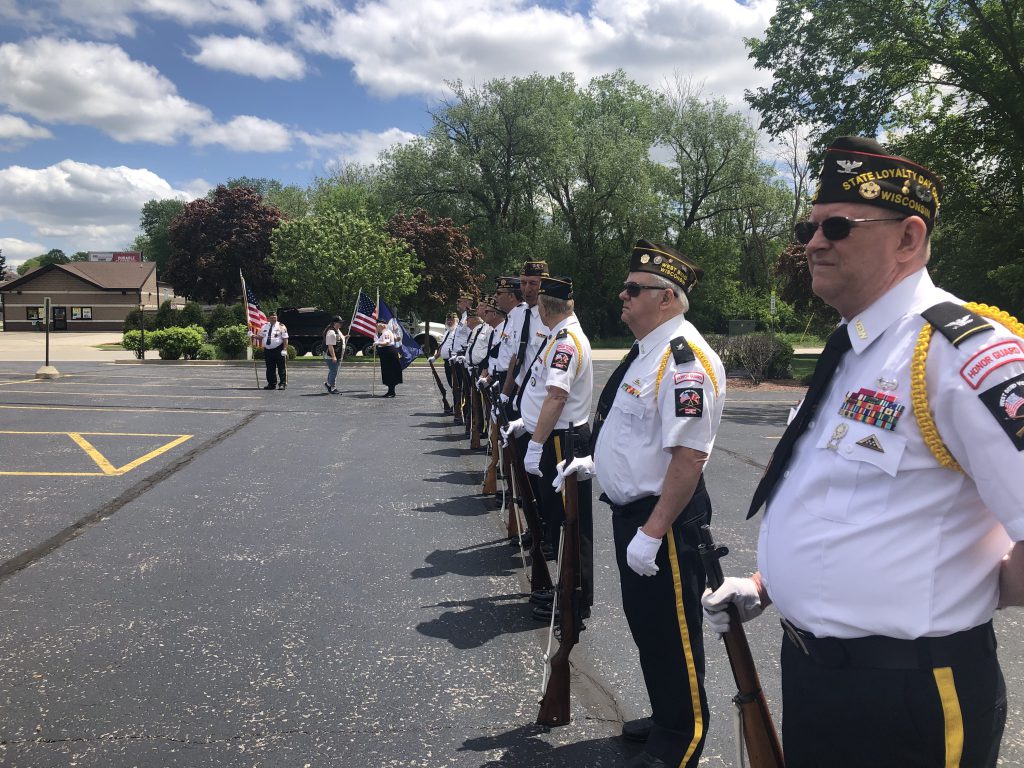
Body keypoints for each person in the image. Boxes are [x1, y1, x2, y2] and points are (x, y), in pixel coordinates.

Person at [702, 136, 1024, 767]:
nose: (814, 243)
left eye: (839, 227)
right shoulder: (853, 348)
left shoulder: (963, 353)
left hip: (910, 692)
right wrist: (771, 583)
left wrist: (974, 590)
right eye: (810, 226)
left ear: (908, 238)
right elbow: (846, 500)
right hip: (818, 674)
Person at [557, 241, 724, 768]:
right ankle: (667, 712)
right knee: (649, 626)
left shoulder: (684, 360)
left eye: (634, 289)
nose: (622, 296)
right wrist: (597, 465)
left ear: (668, 299)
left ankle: (684, 736)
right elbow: (636, 433)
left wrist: (652, 531)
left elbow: (689, 456)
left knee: (673, 631)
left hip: (665, 520)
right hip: (637, 513)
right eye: (626, 287)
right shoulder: (647, 350)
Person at [503, 275, 594, 623]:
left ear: (543, 307)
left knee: (570, 523)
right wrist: (525, 423)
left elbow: (557, 396)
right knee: (556, 520)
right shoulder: (559, 336)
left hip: (562, 442)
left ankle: (574, 598)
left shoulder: (566, 341)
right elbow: (542, 392)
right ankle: (564, 589)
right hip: (552, 436)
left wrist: (535, 443)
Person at [258, 311, 289, 390]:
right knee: (270, 368)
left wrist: (285, 349)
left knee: (281, 367)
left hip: (278, 349)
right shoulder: (264, 326)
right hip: (268, 350)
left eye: (275, 318)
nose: (273, 319)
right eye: (272, 318)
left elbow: (285, 338)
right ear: (268, 318)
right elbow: (261, 337)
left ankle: (282, 384)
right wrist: (252, 335)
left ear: (277, 318)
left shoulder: (281, 326)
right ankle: (271, 384)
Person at [372, 321, 401, 397]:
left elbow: (387, 342)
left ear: (382, 326)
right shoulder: (387, 332)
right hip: (387, 353)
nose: (376, 328)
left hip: (388, 353)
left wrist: (377, 343)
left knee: (390, 371)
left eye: (377, 326)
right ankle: (390, 391)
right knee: (388, 371)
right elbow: (396, 339)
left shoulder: (386, 333)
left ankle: (391, 392)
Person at [323, 315, 344, 394]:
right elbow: (330, 345)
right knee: (334, 371)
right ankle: (332, 387)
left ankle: (328, 384)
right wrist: (333, 356)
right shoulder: (331, 332)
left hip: (337, 354)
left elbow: (338, 340)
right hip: (331, 356)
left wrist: (345, 338)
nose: (341, 324)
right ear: (335, 323)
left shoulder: (337, 330)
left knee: (332, 371)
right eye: (339, 323)